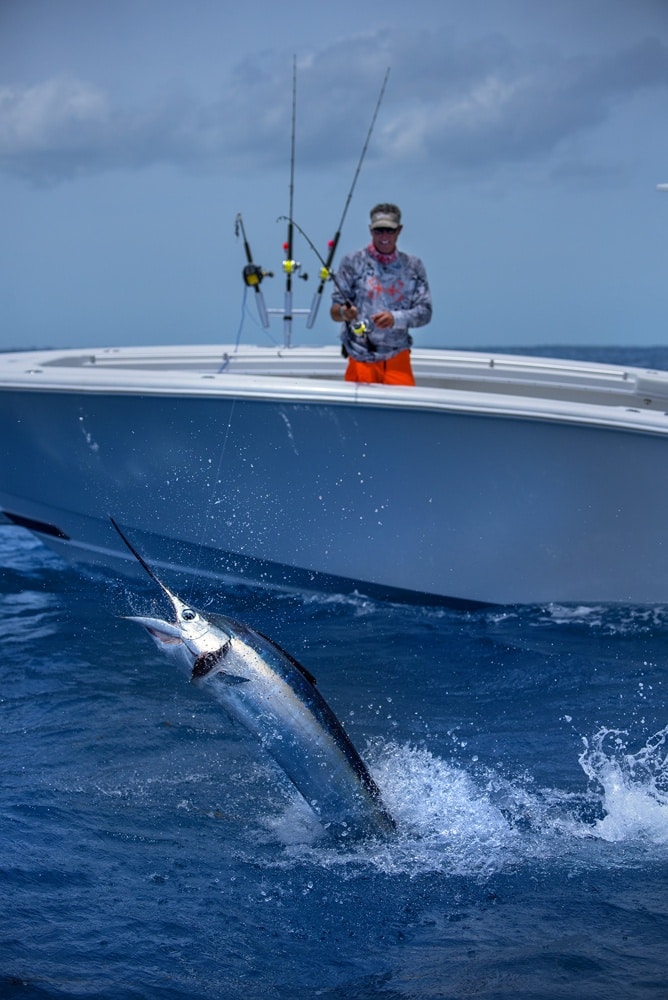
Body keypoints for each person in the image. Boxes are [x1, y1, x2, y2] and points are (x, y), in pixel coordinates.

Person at [330, 203, 432, 385]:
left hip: (397, 356)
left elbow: (425, 313)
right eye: (379, 231)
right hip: (360, 356)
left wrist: (395, 318)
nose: (384, 236)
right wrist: (345, 313)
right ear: (371, 230)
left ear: (399, 230)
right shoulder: (352, 262)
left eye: (389, 230)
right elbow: (334, 311)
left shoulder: (414, 266)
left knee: (404, 410)